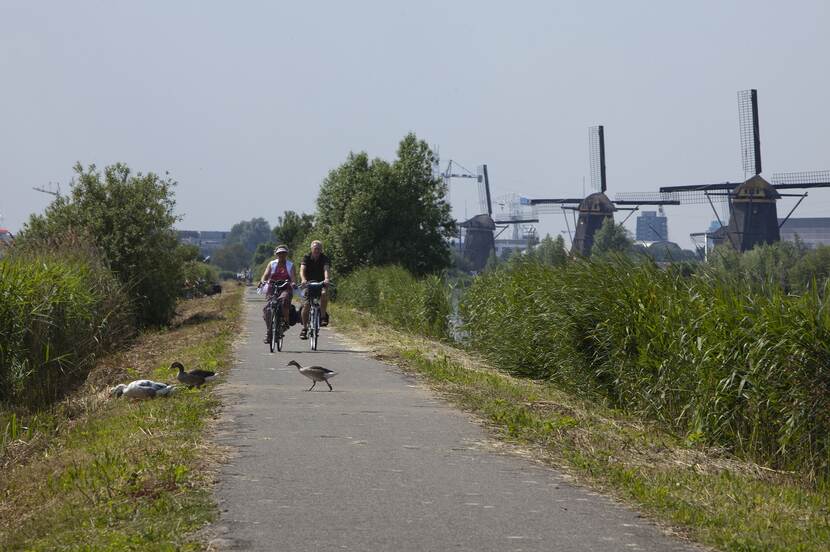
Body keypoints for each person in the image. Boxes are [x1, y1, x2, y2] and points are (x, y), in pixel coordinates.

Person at [259, 245, 296, 343]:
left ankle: (285, 323)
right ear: (276, 254)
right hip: (273, 287)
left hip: (285, 287)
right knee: (268, 309)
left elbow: (293, 277)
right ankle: (269, 332)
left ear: (286, 254)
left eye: (283, 253)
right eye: (279, 253)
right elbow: (266, 275)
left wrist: (293, 283)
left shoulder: (290, 265)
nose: (281, 255)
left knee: (284, 301)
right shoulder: (272, 264)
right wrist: (263, 281)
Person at [299, 240, 331, 340]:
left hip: (321, 283)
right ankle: (304, 329)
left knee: (324, 293)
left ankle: (322, 317)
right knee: (306, 305)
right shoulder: (306, 257)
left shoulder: (324, 258)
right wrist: (303, 279)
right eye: (315, 248)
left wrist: (326, 279)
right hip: (308, 284)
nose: (316, 250)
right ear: (311, 249)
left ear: (321, 250)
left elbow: (326, 269)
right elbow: (302, 270)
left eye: (318, 248)